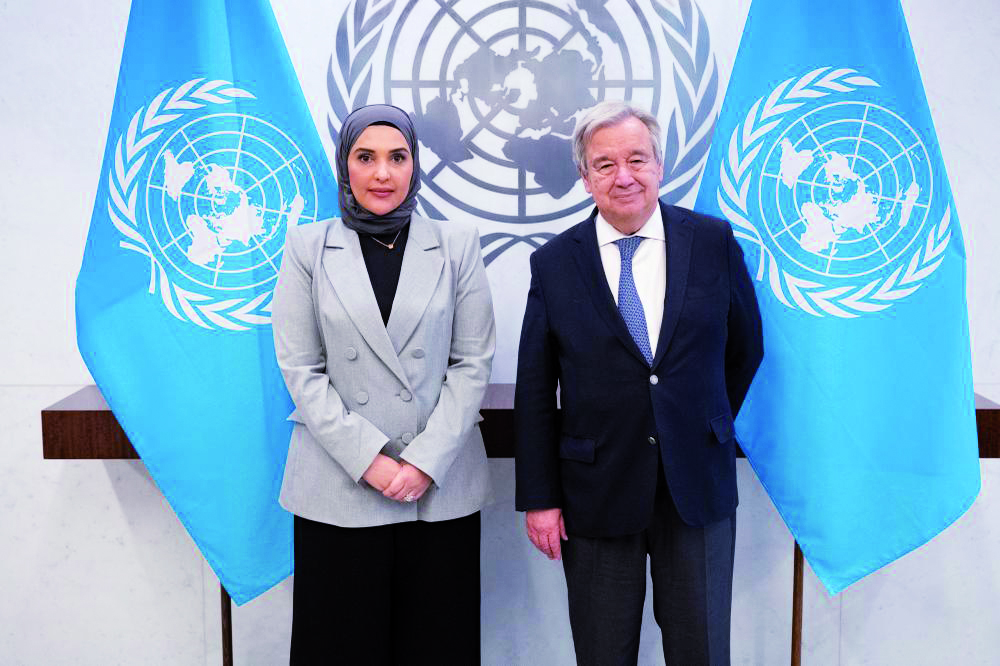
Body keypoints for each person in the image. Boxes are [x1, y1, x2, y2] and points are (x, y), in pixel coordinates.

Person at [514, 100, 763, 665]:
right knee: (603, 653)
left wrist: (701, 421)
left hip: (695, 486)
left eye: (636, 159)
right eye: (604, 164)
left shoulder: (713, 242)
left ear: (659, 164)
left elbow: (746, 348)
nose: (623, 176)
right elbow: (535, 388)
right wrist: (541, 499)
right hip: (595, 492)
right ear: (584, 177)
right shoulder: (554, 264)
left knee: (700, 651)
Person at [271, 104, 495, 665]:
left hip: (437, 486)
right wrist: (370, 458)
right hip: (339, 485)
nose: (382, 174)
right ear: (345, 167)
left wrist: (422, 462)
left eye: (397, 158)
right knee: (342, 649)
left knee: (436, 649)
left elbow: (472, 363)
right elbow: (302, 369)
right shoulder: (307, 248)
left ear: (414, 165)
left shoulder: (456, 245)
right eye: (365, 158)